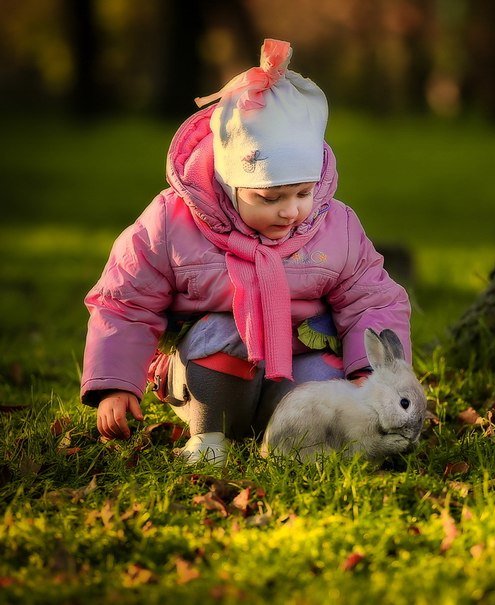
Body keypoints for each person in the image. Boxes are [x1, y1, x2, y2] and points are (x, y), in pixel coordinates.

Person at [80, 39, 411, 465]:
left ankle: (298, 441)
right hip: (213, 377)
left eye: (303, 193)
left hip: (298, 364)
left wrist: (371, 375)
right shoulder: (171, 224)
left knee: (327, 374)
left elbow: (372, 300)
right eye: (268, 198)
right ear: (228, 182)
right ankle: (209, 435)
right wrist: (115, 383)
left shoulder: (336, 226)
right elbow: (125, 300)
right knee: (222, 331)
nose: (291, 211)